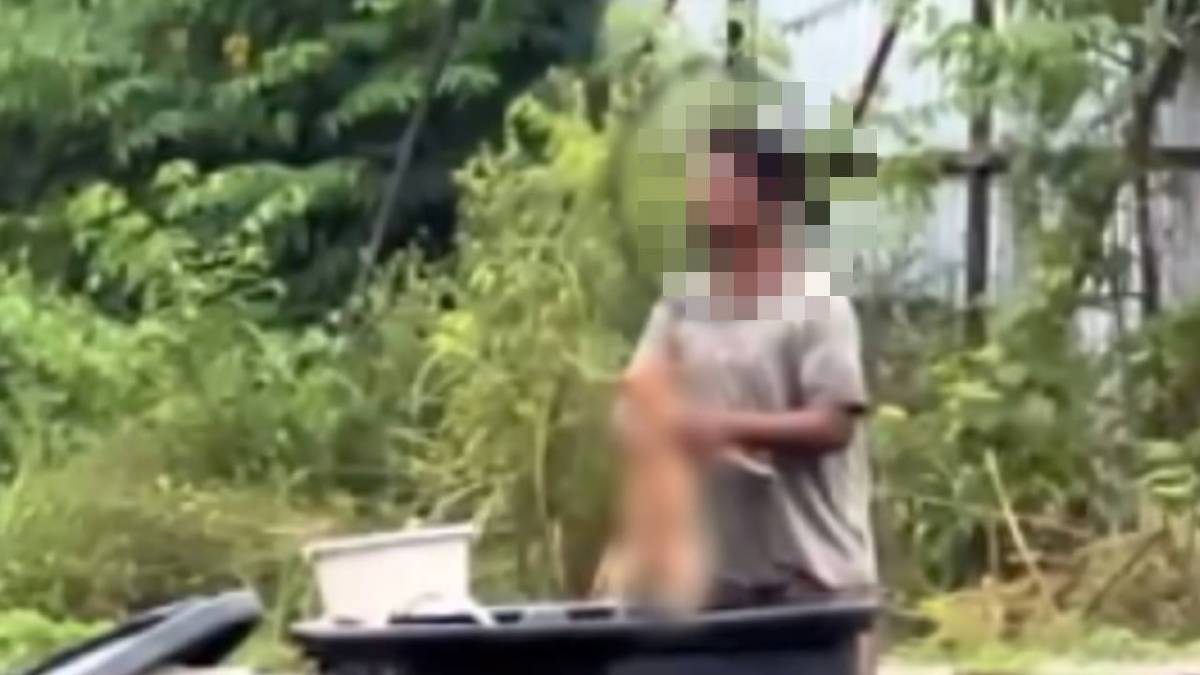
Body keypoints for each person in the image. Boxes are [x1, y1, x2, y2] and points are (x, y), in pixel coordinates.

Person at [614, 123, 879, 674]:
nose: (698, 196)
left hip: (810, 594)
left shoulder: (818, 305)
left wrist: (723, 429)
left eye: (715, 181)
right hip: (713, 594)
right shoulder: (682, 305)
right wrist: (652, 427)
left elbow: (833, 425)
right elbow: (633, 403)